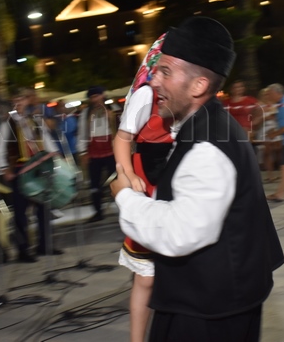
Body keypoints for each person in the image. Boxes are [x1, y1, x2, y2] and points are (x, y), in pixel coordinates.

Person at [110, 16, 284, 342]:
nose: (153, 81)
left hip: (208, 314)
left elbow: (180, 233)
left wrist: (125, 196)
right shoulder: (206, 126)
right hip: (214, 302)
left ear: (198, 85)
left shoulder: (207, 147)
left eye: (165, 72)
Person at [113, 33, 173, 342]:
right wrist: (127, 176)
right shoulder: (146, 95)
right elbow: (122, 138)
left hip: (177, 178)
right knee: (146, 276)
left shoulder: (189, 95)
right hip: (148, 177)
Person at [0, 87, 62, 263]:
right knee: (21, 211)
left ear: (26, 101)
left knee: (43, 208)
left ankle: (44, 245)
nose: (19, 103)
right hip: (20, 170)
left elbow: (47, 140)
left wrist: (55, 157)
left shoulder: (35, 120)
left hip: (38, 169)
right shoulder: (7, 124)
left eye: (22, 99)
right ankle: (23, 250)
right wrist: (4, 169)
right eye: (16, 100)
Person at [77, 86, 116, 222]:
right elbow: (82, 133)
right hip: (93, 152)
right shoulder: (86, 113)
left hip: (111, 150)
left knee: (117, 180)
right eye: (92, 97)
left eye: (97, 96)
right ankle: (98, 211)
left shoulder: (112, 109)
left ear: (102, 95)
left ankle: (124, 208)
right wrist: (83, 151)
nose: (95, 99)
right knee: (94, 184)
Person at [258, 88, 282, 183]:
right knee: (267, 152)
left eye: (268, 94)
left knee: (279, 150)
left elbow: (276, 117)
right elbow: (257, 119)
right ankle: (270, 175)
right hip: (264, 129)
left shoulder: (274, 104)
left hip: (274, 128)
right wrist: (266, 117)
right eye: (265, 94)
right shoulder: (259, 105)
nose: (267, 96)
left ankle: (282, 173)